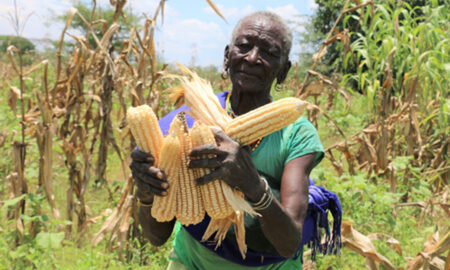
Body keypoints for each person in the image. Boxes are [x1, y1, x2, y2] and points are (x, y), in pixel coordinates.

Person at [130, 11, 341, 269]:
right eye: (244, 46)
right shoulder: (184, 122)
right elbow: (156, 236)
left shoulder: (297, 133)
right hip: (193, 262)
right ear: (227, 57)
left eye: (269, 52)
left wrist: (251, 184)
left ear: (283, 71)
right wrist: (146, 193)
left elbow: (289, 243)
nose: (252, 58)